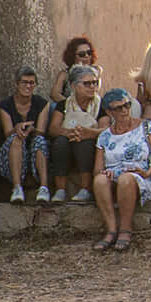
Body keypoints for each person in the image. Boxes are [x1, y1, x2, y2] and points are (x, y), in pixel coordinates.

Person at [89, 86, 151, 251]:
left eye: (127, 105)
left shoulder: (146, 127)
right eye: (118, 108)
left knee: (126, 179)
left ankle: (125, 229)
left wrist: (148, 172)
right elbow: (97, 169)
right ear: (109, 112)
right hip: (113, 176)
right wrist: (103, 173)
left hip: (139, 175)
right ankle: (111, 229)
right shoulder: (104, 136)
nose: (124, 110)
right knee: (100, 180)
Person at [50, 36, 102, 210]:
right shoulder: (64, 104)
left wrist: (87, 132)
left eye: (94, 83)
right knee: (60, 142)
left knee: (85, 142)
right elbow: (54, 128)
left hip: (90, 140)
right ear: (73, 86)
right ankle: (60, 190)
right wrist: (68, 133)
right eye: (87, 84)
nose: (92, 87)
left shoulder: (100, 105)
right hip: (69, 135)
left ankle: (85, 188)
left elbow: (107, 128)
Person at [4, 65, 53, 213]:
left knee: (39, 141)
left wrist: (32, 130)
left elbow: (41, 131)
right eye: (24, 82)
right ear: (17, 84)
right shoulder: (6, 105)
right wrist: (17, 128)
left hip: (34, 147)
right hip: (12, 151)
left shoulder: (42, 104)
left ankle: (44, 188)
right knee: (15, 139)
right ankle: (17, 188)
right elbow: (7, 132)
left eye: (32, 83)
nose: (28, 86)